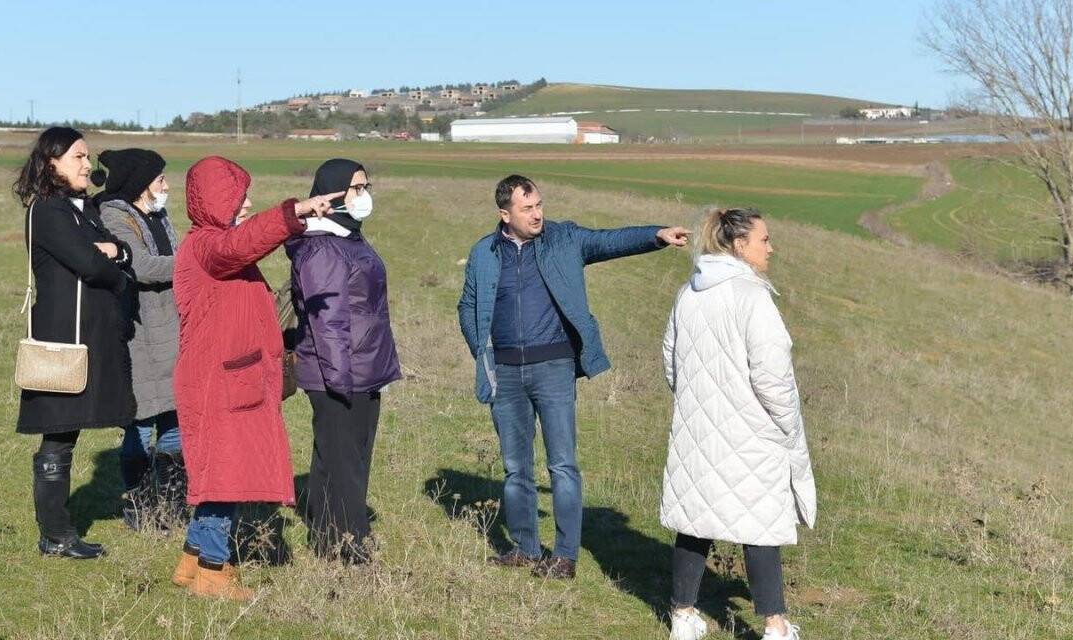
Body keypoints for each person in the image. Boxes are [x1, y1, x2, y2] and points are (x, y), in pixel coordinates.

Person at [456, 175, 690, 579]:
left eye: (539, 205)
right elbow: (468, 304)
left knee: (562, 465)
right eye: (527, 208)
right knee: (515, 467)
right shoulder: (483, 252)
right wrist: (483, 350)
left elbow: (607, 241)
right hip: (506, 372)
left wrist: (656, 235)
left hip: (554, 368)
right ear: (504, 214)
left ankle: (564, 557)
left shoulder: (563, 239)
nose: (537, 214)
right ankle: (527, 549)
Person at [169, 156, 341, 600]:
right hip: (217, 384)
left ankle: (191, 561)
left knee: (222, 470)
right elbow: (242, 245)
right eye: (237, 196)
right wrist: (294, 213)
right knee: (224, 474)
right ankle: (212, 571)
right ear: (214, 200)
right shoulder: (209, 246)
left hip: (229, 380)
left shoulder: (214, 245)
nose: (246, 203)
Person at [659, 208, 816, 640]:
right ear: (739, 245)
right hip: (752, 432)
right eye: (765, 239)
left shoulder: (687, 294)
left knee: (695, 519)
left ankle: (683, 616)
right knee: (760, 522)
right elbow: (774, 379)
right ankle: (775, 626)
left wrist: (696, 404)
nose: (771, 247)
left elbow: (671, 363)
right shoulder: (752, 297)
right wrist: (787, 427)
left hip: (698, 428)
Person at [13, 127, 135, 559]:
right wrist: (114, 266)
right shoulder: (48, 211)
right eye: (79, 157)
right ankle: (56, 535)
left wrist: (115, 254)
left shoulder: (78, 209)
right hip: (64, 343)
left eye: (88, 157)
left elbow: (121, 250)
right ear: (52, 162)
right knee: (59, 435)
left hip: (86, 338)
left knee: (66, 433)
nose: (88, 165)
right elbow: (91, 264)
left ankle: (58, 532)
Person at [286, 159, 401, 563]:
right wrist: (340, 381)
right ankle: (352, 542)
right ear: (331, 192)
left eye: (366, 185)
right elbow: (327, 321)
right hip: (339, 372)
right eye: (354, 188)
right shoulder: (321, 246)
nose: (362, 195)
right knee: (345, 461)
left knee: (337, 457)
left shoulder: (348, 236)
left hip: (362, 366)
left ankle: (326, 538)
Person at [94, 149, 186, 532]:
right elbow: (142, 267)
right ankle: (140, 505)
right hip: (139, 331)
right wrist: (192, 265)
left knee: (174, 419)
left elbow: (176, 254)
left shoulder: (159, 215)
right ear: (140, 183)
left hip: (172, 328)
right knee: (140, 423)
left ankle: (173, 503)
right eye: (160, 179)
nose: (166, 186)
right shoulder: (114, 215)